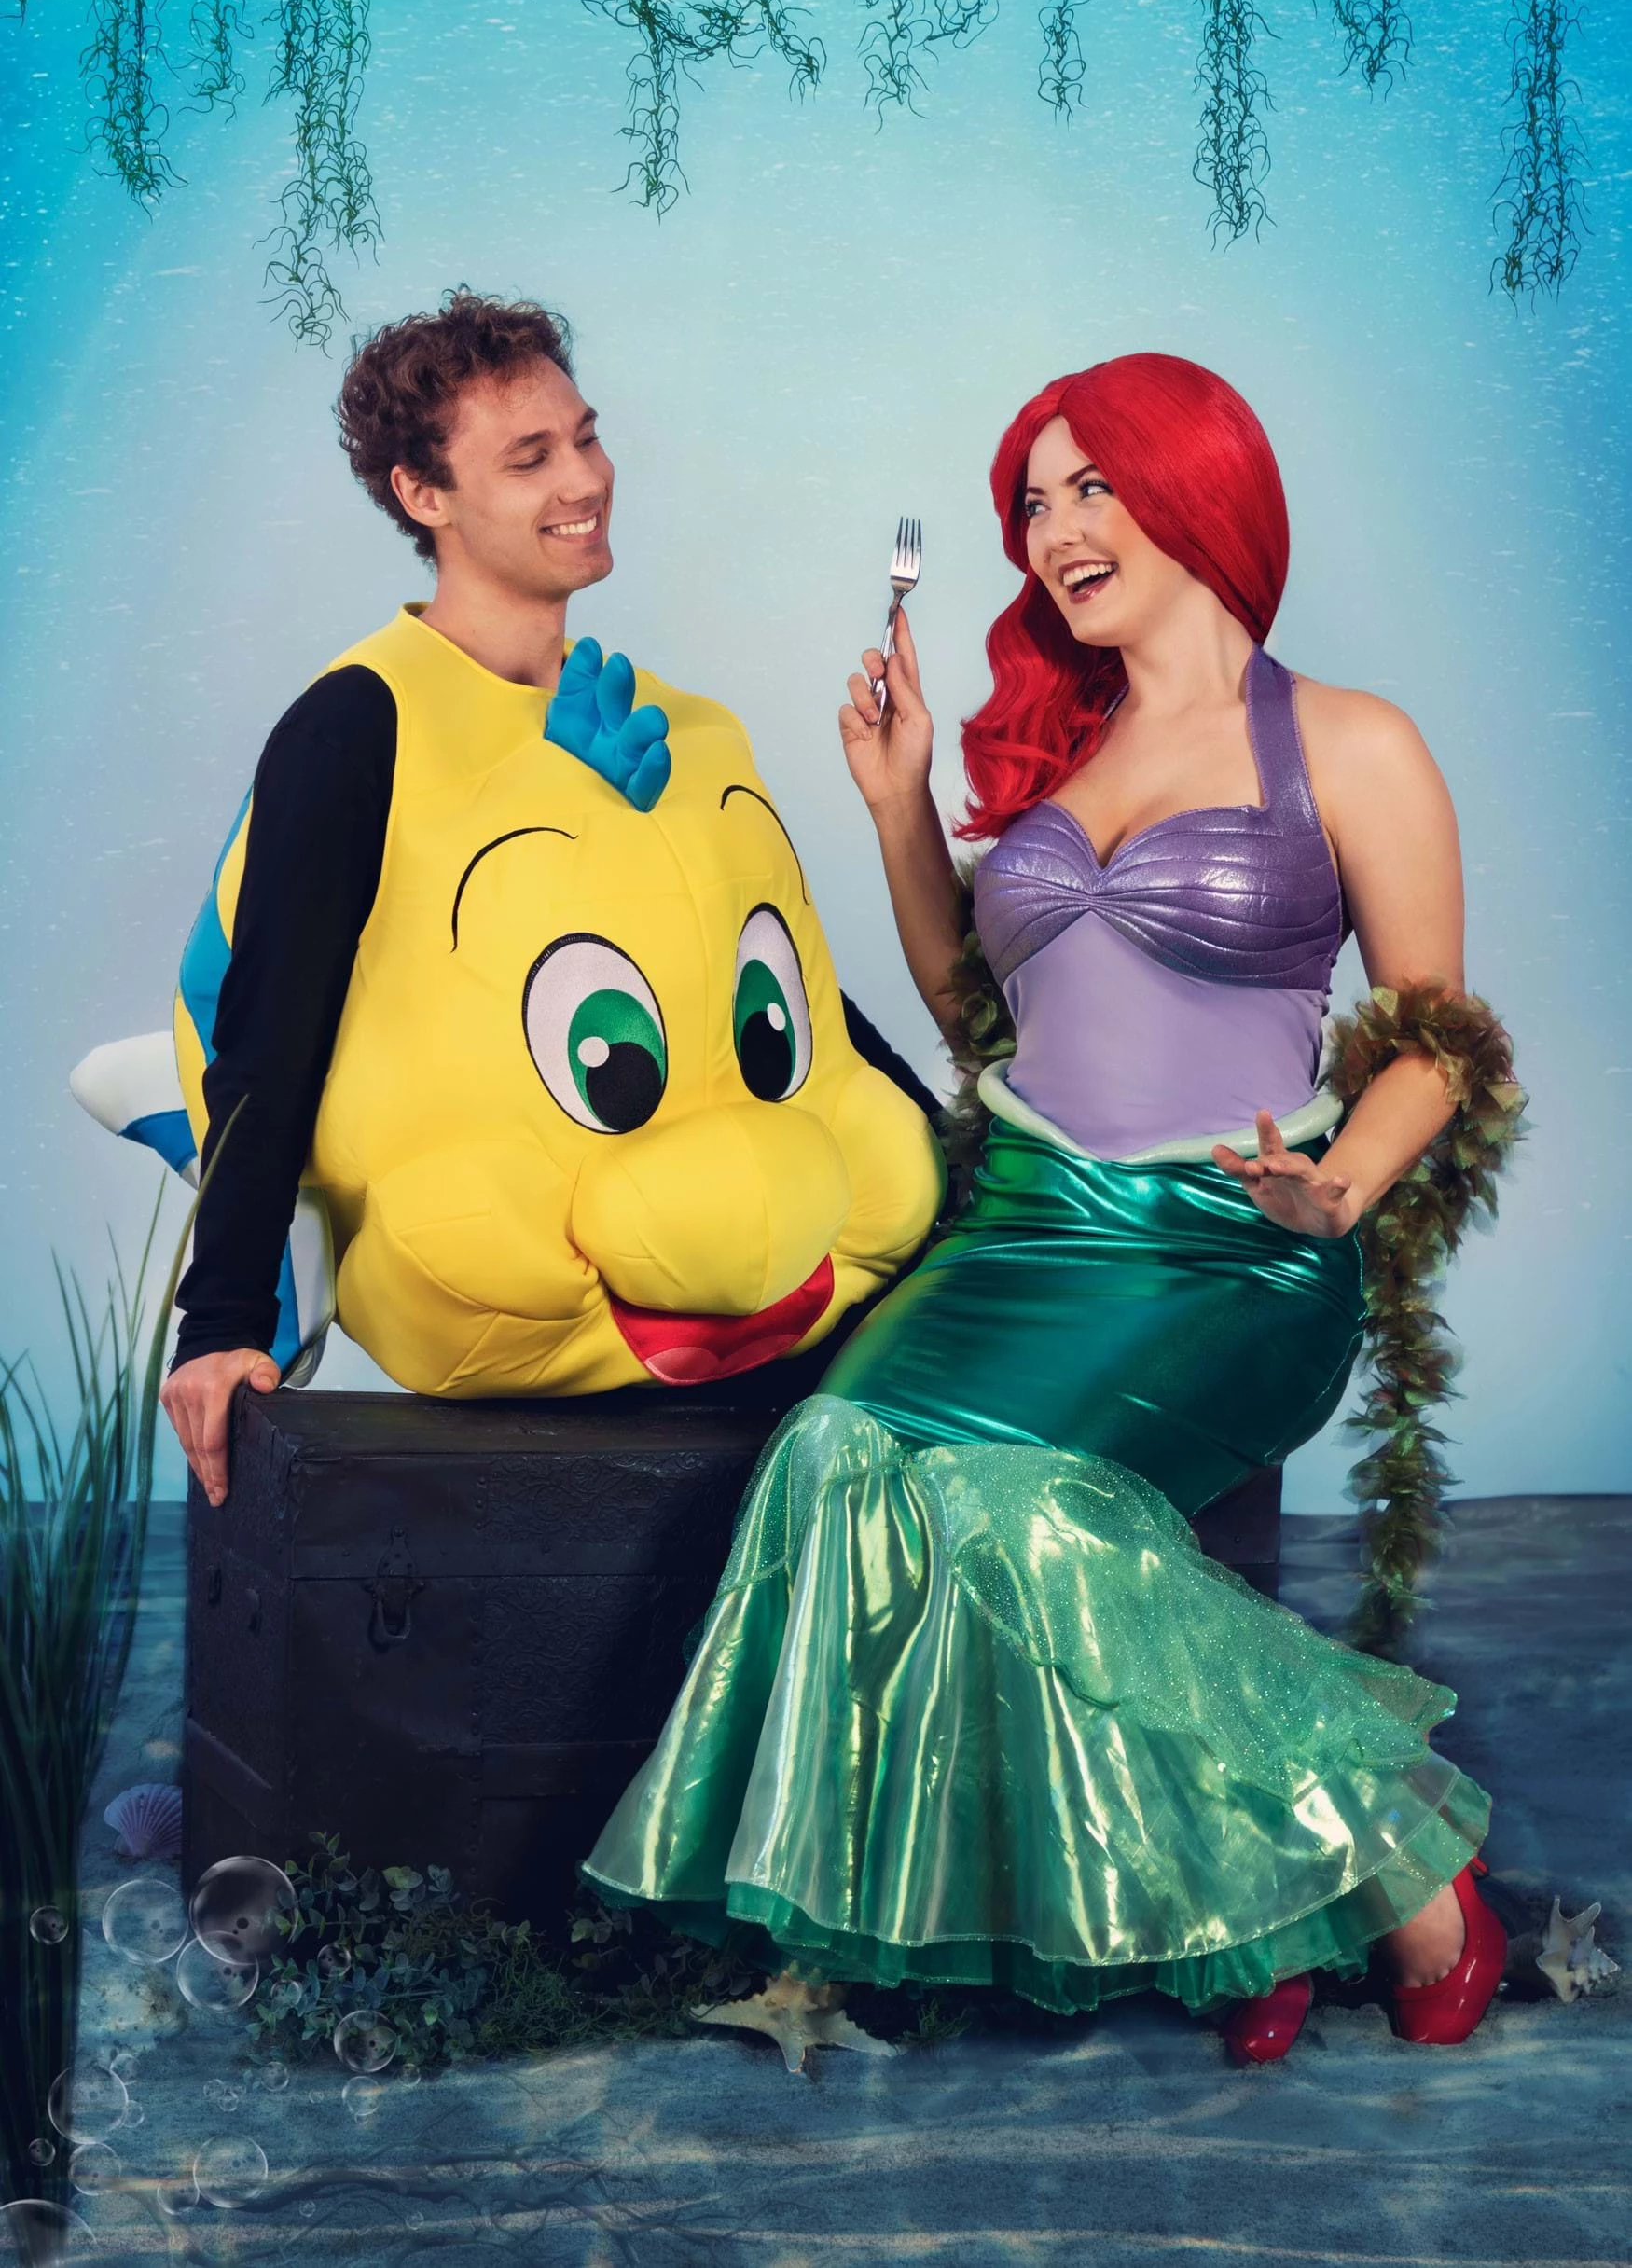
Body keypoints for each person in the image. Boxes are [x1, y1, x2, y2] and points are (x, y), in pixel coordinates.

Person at [581, 353, 1508, 2064]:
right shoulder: (1057, 757)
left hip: (1227, 1249)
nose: (1052, 528)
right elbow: (979, 1016)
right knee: (834, 1460)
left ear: (1199, 489)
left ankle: (1390, 1866)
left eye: (1091, 487)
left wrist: (1334, 1193)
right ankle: (1226, 1903)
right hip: (1017, 1227)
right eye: (1031, 500)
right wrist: (895, 801)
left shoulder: (1348, 743)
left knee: (1007, 1510)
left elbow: (1435, 1037)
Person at [159, 290, 934, 1504]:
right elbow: (270, 1032)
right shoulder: (359, 724)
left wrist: (960, 1172)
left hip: (760, 1311)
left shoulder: (677, 720)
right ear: (423, 493)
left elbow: (790, 999)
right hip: (546, 1319)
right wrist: (218, 1323)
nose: (583, 479)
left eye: (584, 436)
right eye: (530, 458)